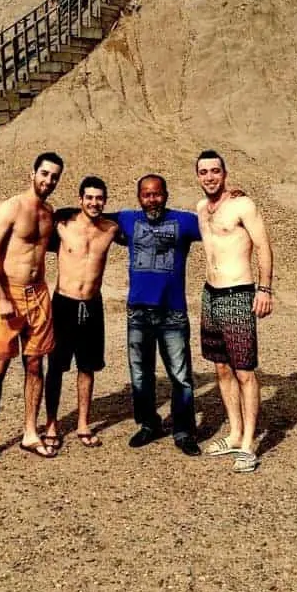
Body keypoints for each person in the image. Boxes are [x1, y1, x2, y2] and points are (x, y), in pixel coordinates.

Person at [0, 152, 64, 466]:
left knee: (36, 365)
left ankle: (30, 432)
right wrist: (0, 296)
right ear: (32, 173)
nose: (48, 181)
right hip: (8, 295)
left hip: (39, 296)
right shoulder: (11, 207)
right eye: (44, 174)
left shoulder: (49, 212)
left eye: (54, 177)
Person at [195, 149, 273, 472]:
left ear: (225, 174)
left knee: (244, 370)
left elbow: (264, 247)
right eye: (204, 172)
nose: (210, 177)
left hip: (239, 293)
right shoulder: (201, 208)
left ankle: (249, 443)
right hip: (210, 294)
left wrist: (265, 289)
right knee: (222, 369)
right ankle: (235, 431)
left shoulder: (243, 205)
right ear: (198, 176)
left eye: (215, 171)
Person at [114, 174, 203, 457]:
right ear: (139, 196)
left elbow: (219, 223)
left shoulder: (185, 221)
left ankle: (184, 430)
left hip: (172, 312)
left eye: (157, 194)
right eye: (146, 194)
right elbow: (90, 215)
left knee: (181, 376)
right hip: (138, 311)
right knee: (141, 375)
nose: (152, 199)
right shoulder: (127, 220)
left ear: (166, 194)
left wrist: (231, 197)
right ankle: (149, 424)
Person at [43, 176, 119, 451]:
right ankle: (51, 423)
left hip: (92, 304)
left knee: (87, 367)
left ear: (105, 201)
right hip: (64, 303)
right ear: (80, 199)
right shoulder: (63, 225)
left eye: (99, 198)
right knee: (56, 366)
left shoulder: (111, 229)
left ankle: (83, 423)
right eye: (89, 198)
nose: (94, 203)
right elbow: (37, 219)